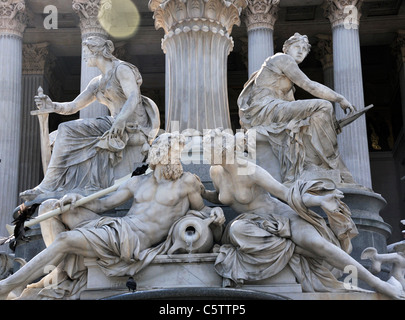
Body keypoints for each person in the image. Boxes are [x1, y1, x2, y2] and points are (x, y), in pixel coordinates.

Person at [0, 133, 225, 300]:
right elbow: (102, 204)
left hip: (131, 241)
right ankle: (58, 274)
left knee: (65, 241)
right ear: (159, 154)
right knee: (50, 206)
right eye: (173, 152)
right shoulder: (138, 182)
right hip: (117, 227)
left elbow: (201, 209)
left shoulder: (186, 182)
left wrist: (215, 211)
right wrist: (74, 197)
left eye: (178, 154)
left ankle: (8, 285)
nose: (176, 159)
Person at [201, 130, 405, 300]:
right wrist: (203, 194)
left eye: (212, 147)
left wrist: (319, 200)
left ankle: (381, 285)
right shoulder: (215, 172)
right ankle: (297, 249)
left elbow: (285, 194)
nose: (207, 152)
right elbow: (222, 197)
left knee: (320, 245)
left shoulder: (251, 171)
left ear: (226, 149)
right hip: (251, 222)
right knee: (237, 229)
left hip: (280, 217)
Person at [20, 36, 160, 202]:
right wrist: (52, 106)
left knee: (66, 130)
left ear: (97, 51)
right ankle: (58, 184)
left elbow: (133, 97)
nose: (84, 56)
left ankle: (48, 185)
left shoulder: (122, 69)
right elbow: (73, 106)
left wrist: (120, 120)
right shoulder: (97, 82)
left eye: (86, 52)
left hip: (131, 124)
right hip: (112, 124)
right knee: (59, 134)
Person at [238, 33, 355, 185]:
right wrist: (339, 98)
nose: (301, 51)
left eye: (305, 49)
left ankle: (314, 164)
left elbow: (295, 111)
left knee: (310, 119)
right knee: (323, 105)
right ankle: (330, 163)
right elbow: (309, 85)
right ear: (286, 48)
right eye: (297, 47)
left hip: (272, 110)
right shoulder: (282, 59)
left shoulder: (286, 80)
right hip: (264, 110)